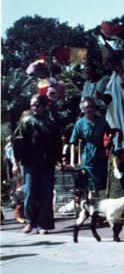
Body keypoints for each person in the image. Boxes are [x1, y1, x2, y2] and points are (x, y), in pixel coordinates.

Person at [13, 94, 61, 234]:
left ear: (44, 106)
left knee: (46, 194)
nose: (34, 108)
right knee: (30, 193)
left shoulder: (51, 123)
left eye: (37, 105)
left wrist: (58, 159)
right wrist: (18, 161)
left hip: (47, 163)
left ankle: (43, 224)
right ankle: (30, 222)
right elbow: (18, 141)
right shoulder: (26, 122)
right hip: (30, 163)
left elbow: (57, 142)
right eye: (32, 105)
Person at [70, 98, 112, 199]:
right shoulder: (80, 123)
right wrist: (72, 161)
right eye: (87, 107)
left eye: (91, 107)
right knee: (91, 186)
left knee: (97, 186)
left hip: (100, 157)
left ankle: (95, 209)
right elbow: (73, 142)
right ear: (83, 109)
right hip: (88, 158)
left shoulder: (102, 121)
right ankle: (92, 210)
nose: (89, 109)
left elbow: (109, 135)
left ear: (95, 108)